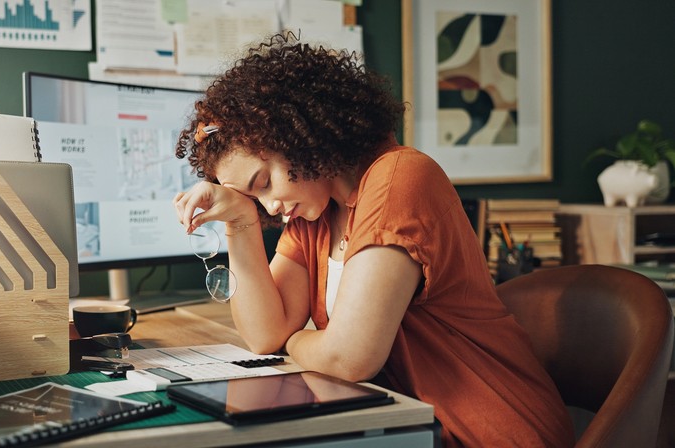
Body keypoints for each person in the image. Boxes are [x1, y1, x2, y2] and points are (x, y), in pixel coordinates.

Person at [172, 33, 574, 447]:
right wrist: (239, 220)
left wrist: (296, 341)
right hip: (414, 429)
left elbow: (348, 359)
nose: (270, 206)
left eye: (264, 182)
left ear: (300, 135)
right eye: (253, 197)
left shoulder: (400, 180)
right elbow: (263, 335)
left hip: (491, 432)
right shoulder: (316, 212)